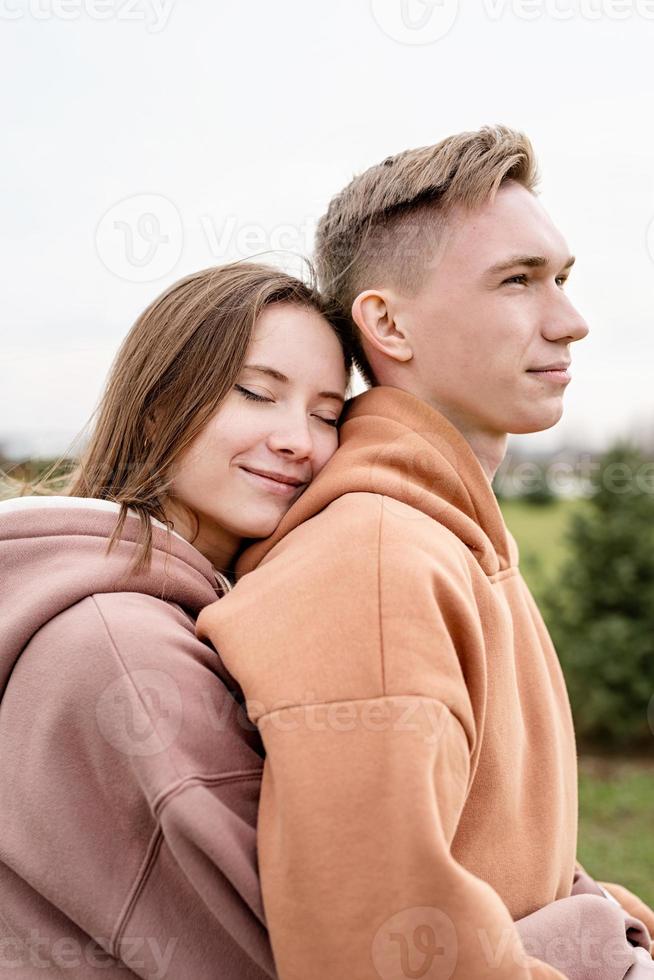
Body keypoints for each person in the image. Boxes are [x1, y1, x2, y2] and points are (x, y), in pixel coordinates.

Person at [197, 129, 654, 979]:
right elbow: (377, 953)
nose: (572, 320)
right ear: (388, 324)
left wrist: (605, 923)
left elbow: (494, 864)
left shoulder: (446, 533)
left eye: (562, 278)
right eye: (517, 281)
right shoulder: (375, 568)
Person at [0, 262, 351, 978]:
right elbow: (313, 952)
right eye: (257, 393)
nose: (300, 441)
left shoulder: (150, 606)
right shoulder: (126, 651)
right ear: (158, 406)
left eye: (327, 414)